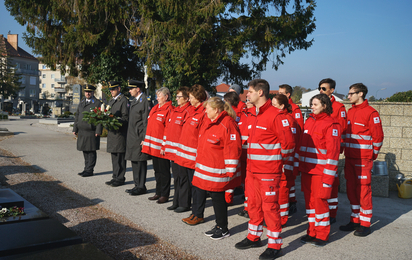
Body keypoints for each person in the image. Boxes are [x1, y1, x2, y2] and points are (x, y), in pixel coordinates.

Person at [235, 79, 295, 260]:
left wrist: (275, 162)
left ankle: (275, 245)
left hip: (269, 172)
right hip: (252, 171)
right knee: (252, 205)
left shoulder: (276, 115)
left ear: (260, 93)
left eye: (250, 92)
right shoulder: (254, 114)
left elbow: (289, 145)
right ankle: (254, 237)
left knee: (270, 208)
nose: (247, 95)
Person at [191, 97, 242, 240]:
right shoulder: (211, 121)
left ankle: (224, 228)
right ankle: (219, 225)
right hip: (209, 168)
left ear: (216, 110)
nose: (205, 111)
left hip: (219, 171)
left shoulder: (228, 124)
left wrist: (231, 171)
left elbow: (233, 148)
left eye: (207, 109)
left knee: (218, 198)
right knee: (214, 197)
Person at [295, 93, 341, 247]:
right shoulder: (309, 121)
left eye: (315, 104)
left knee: (320, 203)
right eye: (311, 104)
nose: (311, 107)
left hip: (321, 173)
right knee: (310, 204)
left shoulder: (331, 124)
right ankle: (312, 231)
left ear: (325, 106)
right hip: (307, 171)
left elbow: (333, 154)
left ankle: (322, 234)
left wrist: (328, 178)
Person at [339, 83, 384, 237]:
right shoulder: (349, 112)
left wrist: (372, 155)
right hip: (350, 158)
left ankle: (365, 224)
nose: (348, 96)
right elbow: (344, 135)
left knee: (363, 191)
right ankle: (355, 219)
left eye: (351, 93)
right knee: (351, 190)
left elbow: (378, 137)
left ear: (361, 94)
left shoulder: (371, 113)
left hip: (363, 160)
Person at [177, 84, 208, 225]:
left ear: (197, 97)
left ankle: (198, 214)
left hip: (196, 158)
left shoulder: (203, 113)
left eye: (191, 96)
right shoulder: (192, 111)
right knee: (192, 185)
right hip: (188, 158)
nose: (188, 99)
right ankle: (194, 212)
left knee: (198, 187)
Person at [318, 78, 347, 224]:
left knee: (332, 183)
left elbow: (341, 131)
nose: (321, 91)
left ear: (331, 90)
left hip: (331, 152)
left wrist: (337, 151)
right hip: (320, 153)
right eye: (319, 88)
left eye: (324, 88)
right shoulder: (318, 106)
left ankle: (332, 212)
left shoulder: (339, 107)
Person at [272, 94, 301, 227]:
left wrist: (282, 159)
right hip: (281, 159)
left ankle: (282, 218)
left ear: (282, 106)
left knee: (283, 188)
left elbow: (291, 142)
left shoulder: (288, 120)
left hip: (283, 159)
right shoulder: (283, 118)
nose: (271, 107)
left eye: (274, 104)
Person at [162, 86, 192, 212]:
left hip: (182, 151)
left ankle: (184, 203)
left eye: (179, 97)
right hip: (173, 151)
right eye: (177, 96)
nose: (177, 99)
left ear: (186, 98)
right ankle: (176, 201)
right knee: (177, 177)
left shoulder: (188, 111)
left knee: (183, 178)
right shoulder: (176, 111)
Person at [142, 87, 173, 204]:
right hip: (153, 147)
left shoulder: (169, 109)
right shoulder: (155, 108)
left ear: (166, 97)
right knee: (157, 170)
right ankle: (158, 192)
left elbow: (168, 129)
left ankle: (165, 194)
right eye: (157, 96)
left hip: (161, 147)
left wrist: (164, 145)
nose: (157, 98)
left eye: (159, 96)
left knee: (164, 171)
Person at [278, 84, 303, 214]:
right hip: (284, 149)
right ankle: (289, 201)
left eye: (281, 93)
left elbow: (298, 130)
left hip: (291, 149)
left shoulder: (294, 110)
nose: (278, 94)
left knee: (289, 179)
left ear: (288, 95)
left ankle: (291, 202)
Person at [125, 80, 150, 196]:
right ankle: (136, 185)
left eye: (131, 88)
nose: (129, 91)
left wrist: (145, 138)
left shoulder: (144, 101)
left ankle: (141, 186)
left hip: (139, 136)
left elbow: (146, 121)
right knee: (134, 161)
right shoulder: (135, 100)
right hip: (132, 136)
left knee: (140, 161)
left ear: (138, 89)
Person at [73, 84, 102, 177]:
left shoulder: (97, 103)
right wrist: (75, 128)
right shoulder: (82, 103)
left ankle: (90, 170)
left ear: (93, 92)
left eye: (89, 92)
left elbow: (100, 118)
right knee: (85, 150)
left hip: (91, 131)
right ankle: (86, 169)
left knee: (91, 151)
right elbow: (77, 116)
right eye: (86, 91)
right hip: (82, 131)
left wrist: (98, 130)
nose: (87, 93)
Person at [105, 81, 129, 187]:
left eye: (113, 89)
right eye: (110, 90)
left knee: (120, 157)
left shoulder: (123, 100)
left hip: (119, 133)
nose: (111, 91)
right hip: (112, 133)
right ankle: (115, 176)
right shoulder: (111, 100)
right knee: (114, 156)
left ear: (119, 89)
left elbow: (125, 117)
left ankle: (120, 178)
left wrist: (114, 121)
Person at [223, 91, 243, 205]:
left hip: (233, 149)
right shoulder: (234, 115)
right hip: (236, 148)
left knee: (231, 175)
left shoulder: (233, 116)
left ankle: (228, 198)